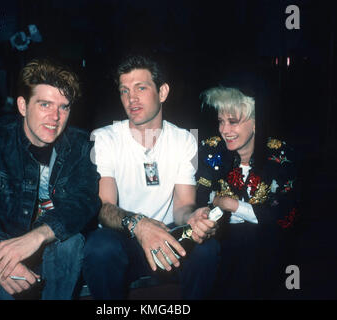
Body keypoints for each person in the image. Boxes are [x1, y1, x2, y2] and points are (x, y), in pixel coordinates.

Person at [0, 58, 101, 300]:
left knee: (71, 242)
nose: (55, 117)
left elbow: (85, 201)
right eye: (45, 105)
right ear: (23, 106)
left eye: (64, 107)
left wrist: (37, 236)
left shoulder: (80, 145)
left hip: (51, 248)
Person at [82, 54, 220, 300]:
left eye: (141, 88)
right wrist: (140, 226)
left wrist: (194, 217)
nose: (131, 98)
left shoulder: (184, 140)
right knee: (99, 246)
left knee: (208, 249)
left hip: (169, 238)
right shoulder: (104, 138)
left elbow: (182, 206)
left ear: (163, 92)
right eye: (124, 90)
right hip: (124, 238)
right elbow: (104, 207)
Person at [196, 82, 299, 299]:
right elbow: (198, 198)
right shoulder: (210, 149)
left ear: (256, 124)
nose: (225, 130)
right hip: (221, 241)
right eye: (221, 122)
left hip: (266, 247)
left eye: (233, 122)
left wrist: (230, 204)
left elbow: (283, 216)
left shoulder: (281, 155)